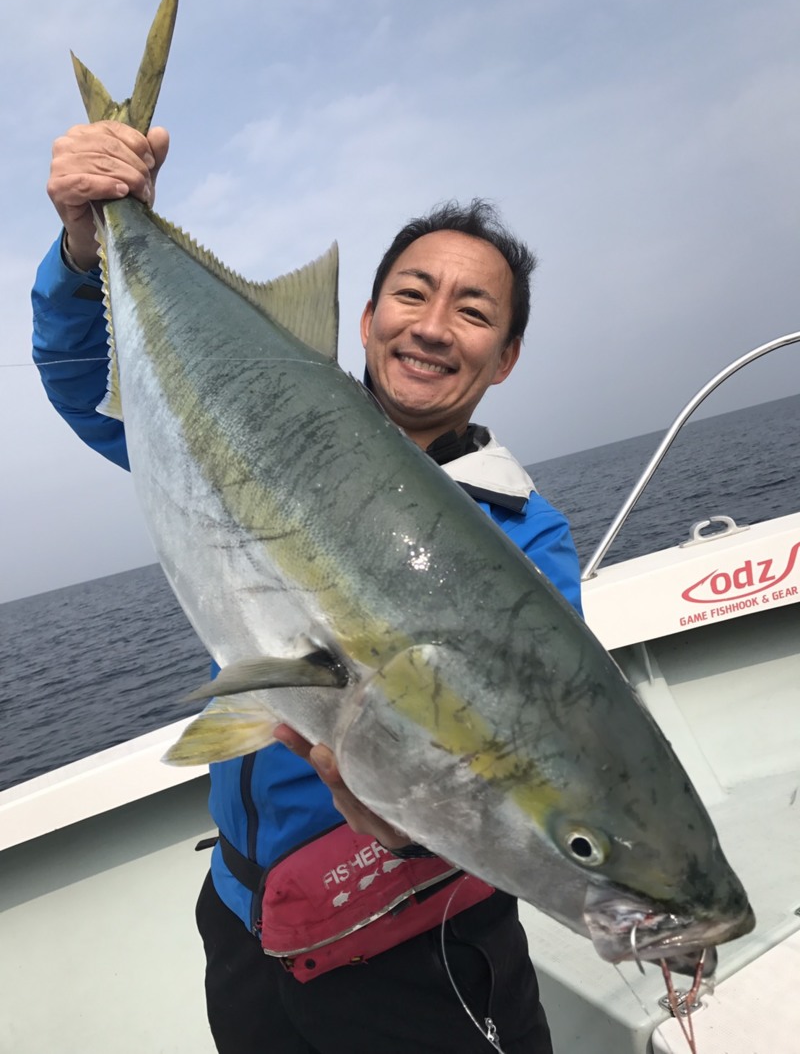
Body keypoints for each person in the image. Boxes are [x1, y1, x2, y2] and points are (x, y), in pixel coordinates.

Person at [33, 120, 583, 1054]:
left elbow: (534, 766)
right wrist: (88, 243)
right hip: (246, 919)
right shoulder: (250, 432)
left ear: (506, 356)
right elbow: (90, 377)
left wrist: (413, 834)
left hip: (424, 946)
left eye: (475, 311)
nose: (434, 325)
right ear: (365, 321)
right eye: (412, 293)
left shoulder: (525, 540)